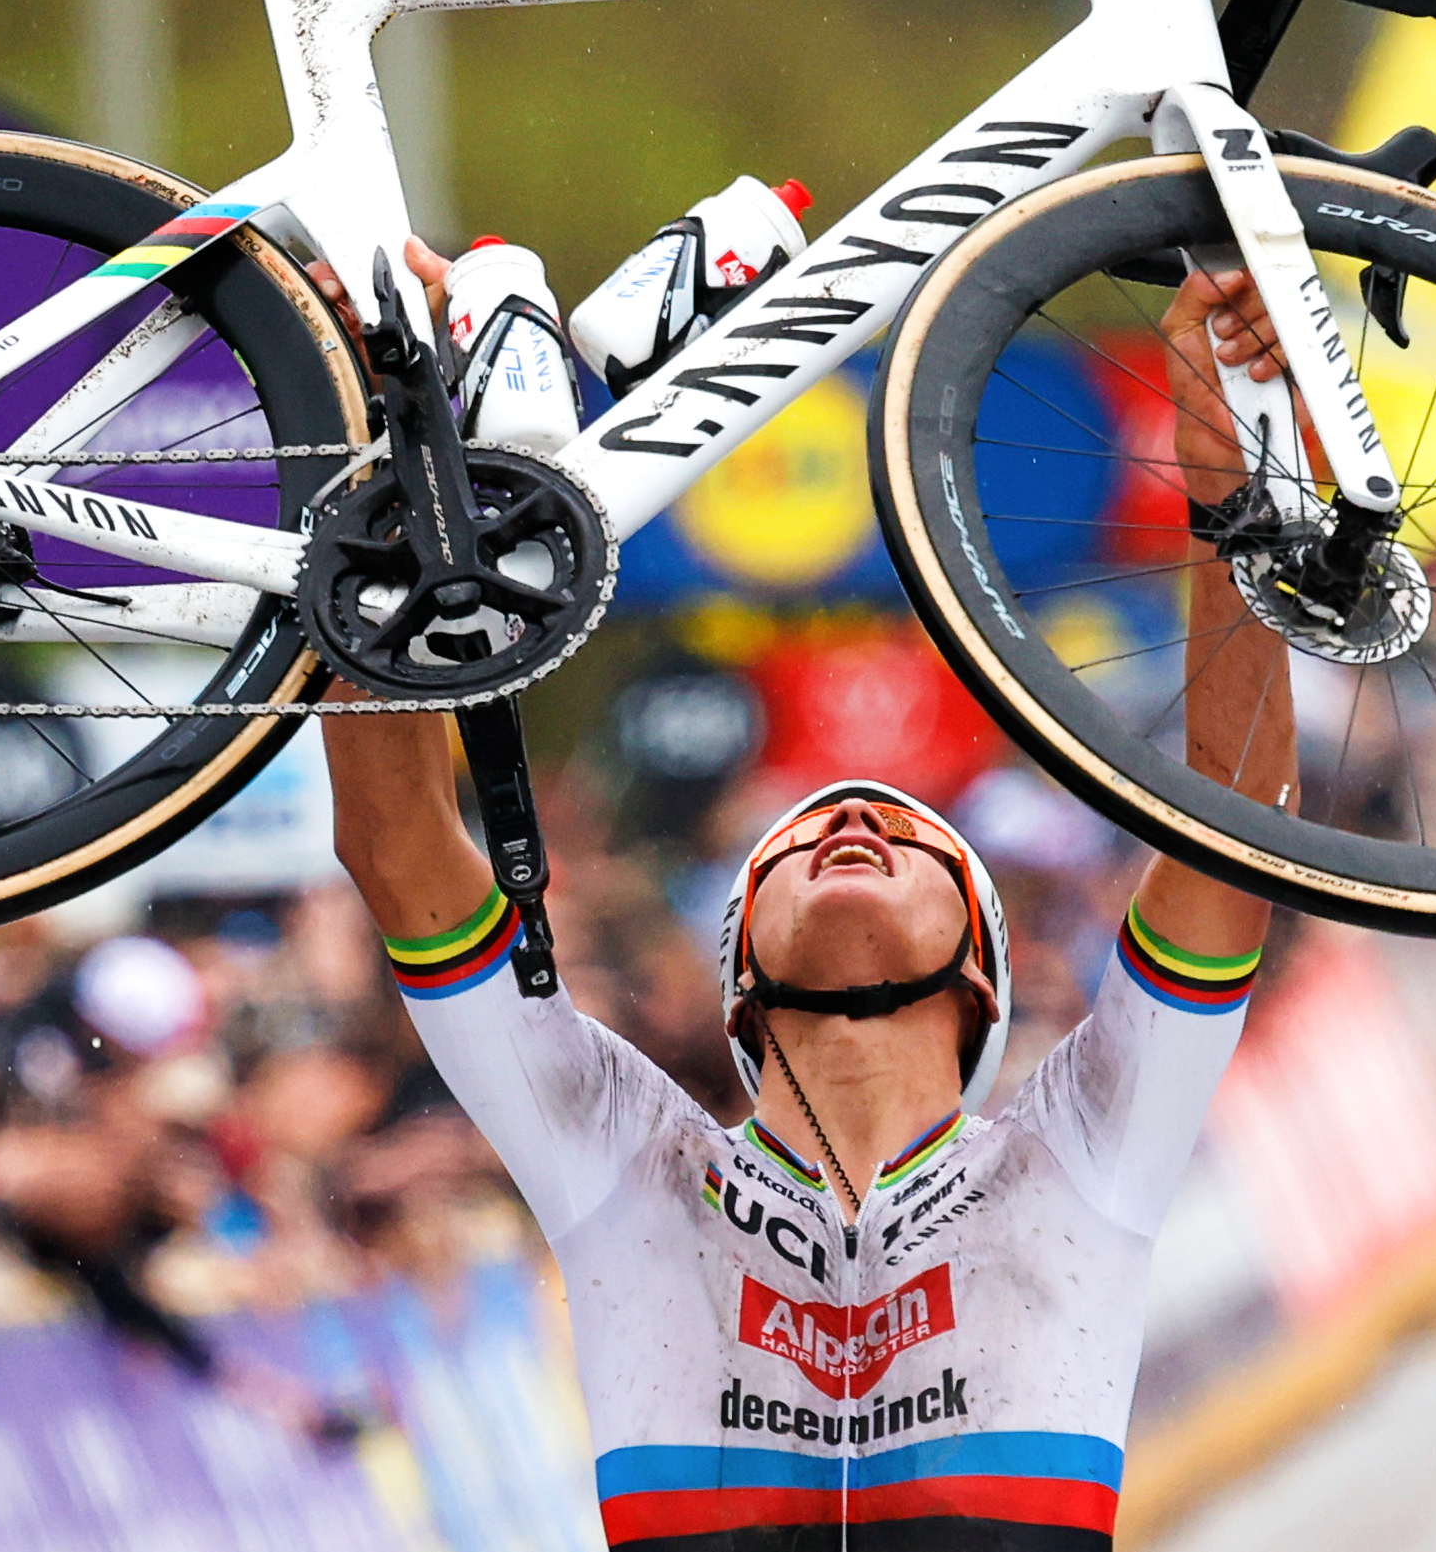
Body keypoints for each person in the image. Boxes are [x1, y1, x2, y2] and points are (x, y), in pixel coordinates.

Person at [326, 254, 1301, 1550]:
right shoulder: (628, 1167)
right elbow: (401, 852)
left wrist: (1219, 437)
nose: (848, 816)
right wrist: (382, 449)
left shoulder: (1078, 1156)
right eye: (804, 841)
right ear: (737, 974)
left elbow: (1232, 833)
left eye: (897, 832)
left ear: (978, 975)